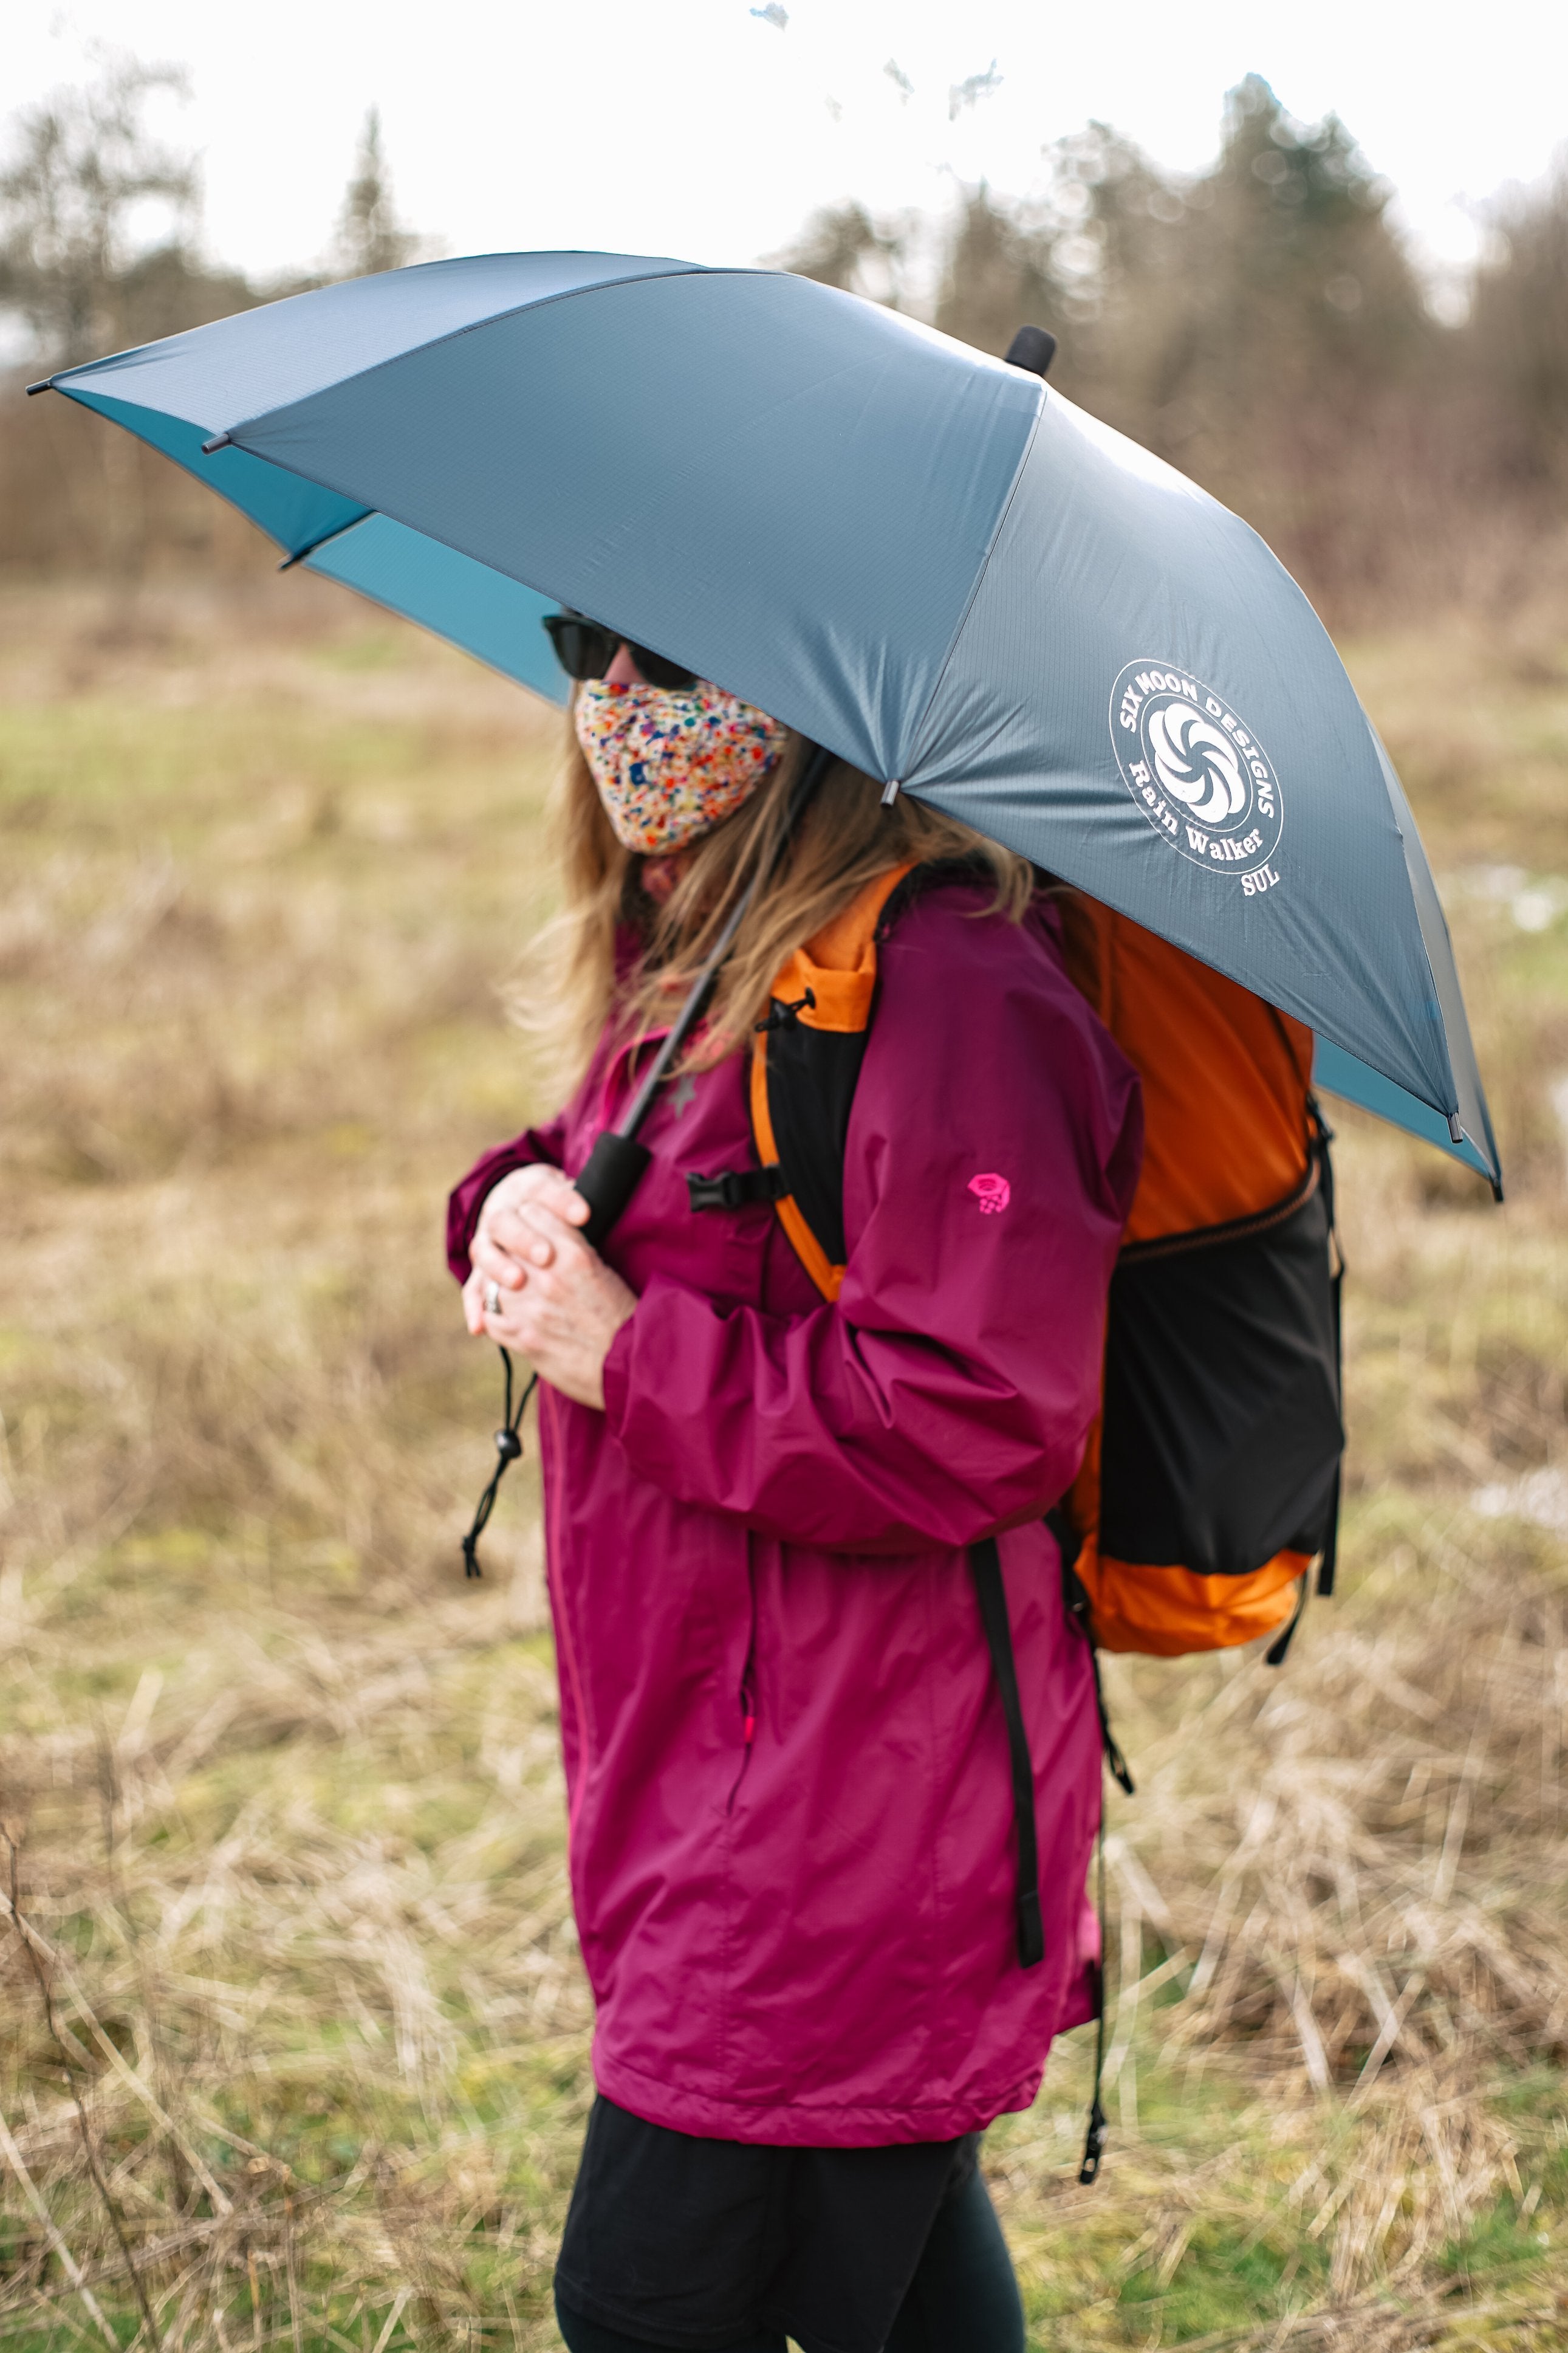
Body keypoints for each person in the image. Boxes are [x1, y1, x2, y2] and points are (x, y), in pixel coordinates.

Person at [446, 623, 1143, 2353]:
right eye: (586, 648)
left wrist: (628, 1356)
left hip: (852, 1807)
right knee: (891, 2285)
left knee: (642, 2302)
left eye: (671, 659)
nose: (617, 697)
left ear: (809, 692)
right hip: (705, 1750)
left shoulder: (958, 991)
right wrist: (514, 1209)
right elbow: (644, 1192)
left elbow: (980, 1418)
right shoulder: (701, 938)